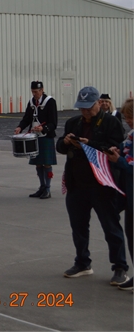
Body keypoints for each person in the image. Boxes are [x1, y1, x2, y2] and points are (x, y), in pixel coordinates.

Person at [56, 86, 129, 285]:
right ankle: (82, 262)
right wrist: (67, 141)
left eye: (89, 107)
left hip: (102, 184)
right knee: (78, 227)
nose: (85, 112)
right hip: (77, 183)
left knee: (111, 227)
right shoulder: (73, 122)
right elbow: (59, 146)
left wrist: (91, 143)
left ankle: (120, 266)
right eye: (82, 108)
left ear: (99, 103)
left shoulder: (111, 122)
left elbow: (115, 148)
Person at [106, 98, 133, 291]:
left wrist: (121, 161)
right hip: (129, 192)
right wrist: (119, 154)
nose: (128, 120)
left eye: (131, 116)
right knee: (130, 234)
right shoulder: (130, 136)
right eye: (126, 117)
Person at [15, 81, 58, 199]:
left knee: (47, 163)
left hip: (46, 136)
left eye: (37, 91)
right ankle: (42, 186)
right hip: (34, 137)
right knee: (38, 164)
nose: (35, 94)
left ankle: (48, 189)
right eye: (33, 91)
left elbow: (53, 123)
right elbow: (27, 118)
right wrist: (20, 127)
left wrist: (43, 128)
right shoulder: (31, 102)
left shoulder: (50, 102)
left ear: (42, 90)